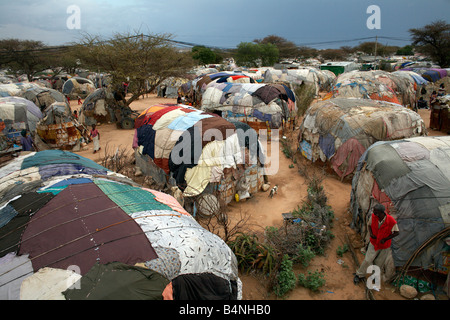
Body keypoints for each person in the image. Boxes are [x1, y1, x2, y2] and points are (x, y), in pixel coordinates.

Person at [353, 203, 399, 285]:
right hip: (374, 243)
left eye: (375, 211)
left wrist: (385, 239)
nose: (373, 212)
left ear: (380, 213)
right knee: (367, 260)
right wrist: (371, 233)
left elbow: (396, 232)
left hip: (384, 246)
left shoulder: (391, 220)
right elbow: (369, 225)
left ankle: (374, 277)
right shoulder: (373, 217)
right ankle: (359, 274)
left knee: (378, 263)